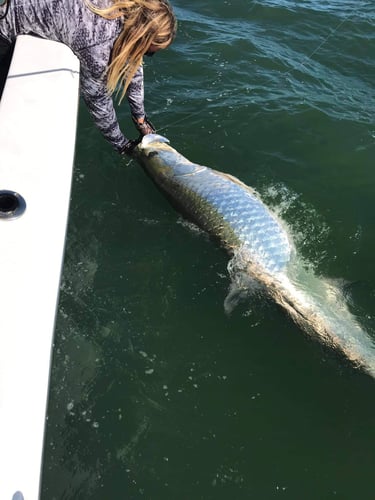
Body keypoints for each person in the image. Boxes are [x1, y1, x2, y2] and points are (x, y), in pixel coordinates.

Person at [0, 0, 177, 155]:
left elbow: (134, 65)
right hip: (5, 28)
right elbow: (98, 101)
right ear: (140, 38)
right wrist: (123, 146)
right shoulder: (98, 44)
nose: (144, 56)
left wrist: (140, 119)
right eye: (149, 53)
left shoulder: (123, 8)